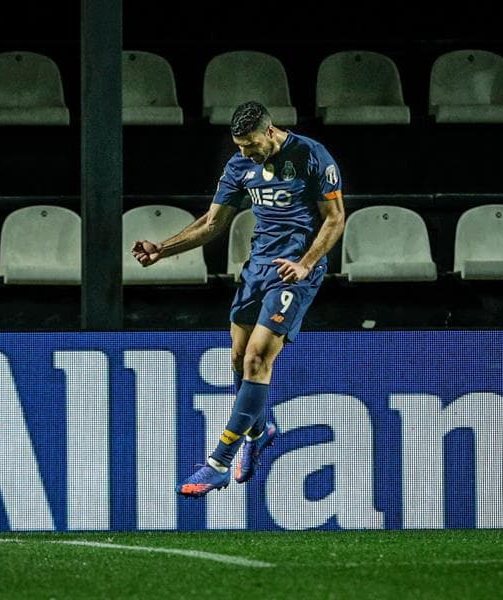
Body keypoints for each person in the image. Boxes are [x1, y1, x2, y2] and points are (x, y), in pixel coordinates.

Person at [131, 101, 345, 498]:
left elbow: (335, 218)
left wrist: (305, 264)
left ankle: (218, 462)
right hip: (259, 266)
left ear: (270, 132)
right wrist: (162, 249)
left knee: (256, 359)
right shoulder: (239, 165)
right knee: (237, 357)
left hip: (295, 269)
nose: (245, 152)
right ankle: (260, 431)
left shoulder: (311, 155)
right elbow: (212, 223)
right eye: (240, 146)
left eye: (251, 144)